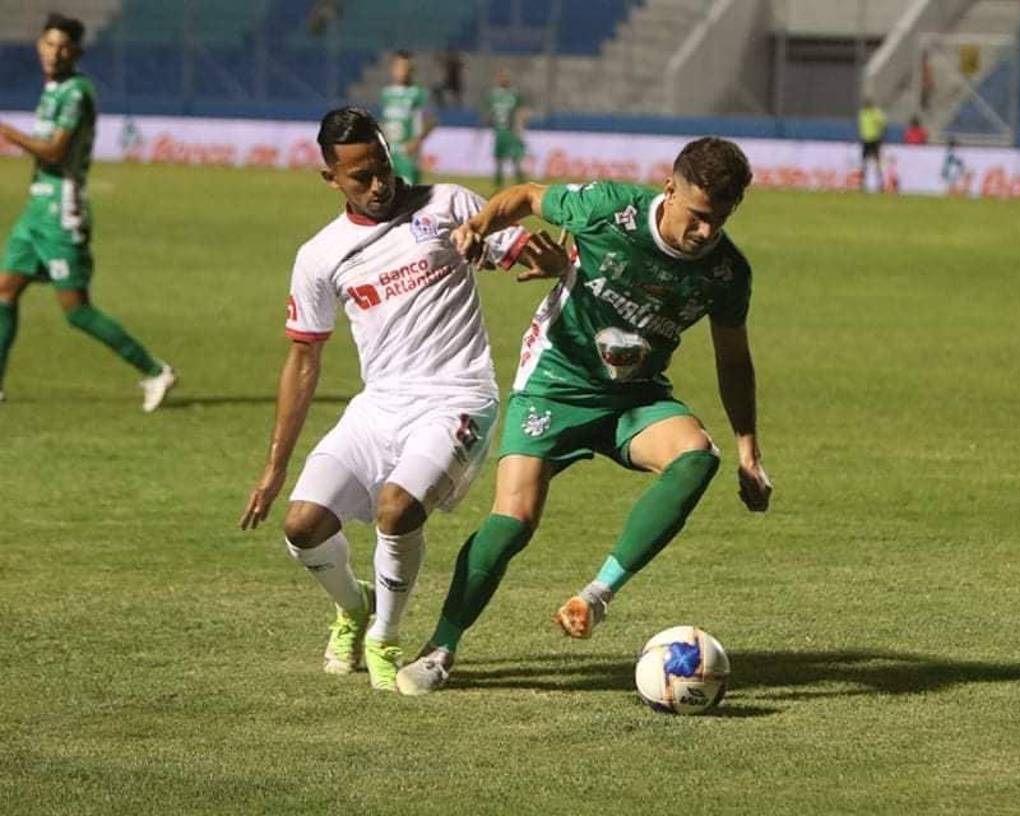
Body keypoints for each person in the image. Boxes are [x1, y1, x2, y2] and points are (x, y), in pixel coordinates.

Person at [397, 136, 774, 696]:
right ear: (669, 188)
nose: (705, 233)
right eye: (697, 217)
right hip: (555, 383)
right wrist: (478, 225)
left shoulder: (726, 272)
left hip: (635, 396)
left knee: (698, 457)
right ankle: (441, 648)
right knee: (514, 521)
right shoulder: (608, 209)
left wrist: (750, 448)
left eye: (719, 220)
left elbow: (734, 359)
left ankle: (597, 595)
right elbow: (526, 195)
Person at [238, 106, 561, 694]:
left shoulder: (449, 205)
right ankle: (353, 605)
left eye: (383, 166)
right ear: (331, 180)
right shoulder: (320, 255)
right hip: (378, 405)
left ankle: (384, 637)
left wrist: (543, 260)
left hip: (457, 396)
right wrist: (274, 465)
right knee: (302, 526)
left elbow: (520, 253)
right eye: (360, 176)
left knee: (397, 508)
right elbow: (303, 359)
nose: (379, 183)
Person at [0, 13, 176, 409]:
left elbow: (55, 151)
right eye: (49, 43)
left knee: (76, 310)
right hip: (37, 209)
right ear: (39, 46)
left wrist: (7, 132)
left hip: (62, 210)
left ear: (76, 52)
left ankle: (155, 370)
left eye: (63, 46)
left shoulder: (77, 92)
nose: (54, 52)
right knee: (5, 290)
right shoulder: (53, 89)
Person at [380, 50, 435, 185]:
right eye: (399, 67)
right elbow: (384, 121)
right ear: (392, 69)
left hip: (407, 152)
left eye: (406, 68)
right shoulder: (387, 93)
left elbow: (431, 120)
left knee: (410, 195)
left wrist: (417, 141)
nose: (402, 71)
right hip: (389, 151)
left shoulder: (418, 93)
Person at [485, 67, 528, 189]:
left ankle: (522, 185)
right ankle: (498, 187)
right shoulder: (493, 95)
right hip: (499, 133)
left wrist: (520, 129)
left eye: (506, 77)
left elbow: (521, 112)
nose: (503, 79)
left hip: (511, 132)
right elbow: (490, 113)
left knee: (516, 160)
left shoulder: (515, 94)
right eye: (501, 77)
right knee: (498, 160)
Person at [858, 97, 887, 193]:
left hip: (872, 140)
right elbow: (883, 123)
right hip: (869, 140)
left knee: (870, 163)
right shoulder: (872, 113)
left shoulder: (865, 114)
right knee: (868, 163)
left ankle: (878, 184)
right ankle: (865, 184)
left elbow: (883, 123)